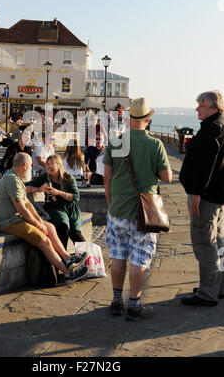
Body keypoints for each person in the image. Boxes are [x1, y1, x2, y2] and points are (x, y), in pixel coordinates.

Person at [103, 97, 172, 320]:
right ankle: (134, 305)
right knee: (139, 259)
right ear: (148, 119)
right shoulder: (155, 144)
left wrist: (111, 202)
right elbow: (167, 178)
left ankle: (115, 301)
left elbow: (107, 177)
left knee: (117, 255)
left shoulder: (115, 142)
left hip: (117, 209)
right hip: (144, 213)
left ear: (129, 118)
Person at [0, 152, 88, 283]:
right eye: (31, 165)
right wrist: (38, 225)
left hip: (17, 219)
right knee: (44, 241)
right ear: (25, 165)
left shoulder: (16, 178)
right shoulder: (11, 180)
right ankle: (68, 273)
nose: (33, 168)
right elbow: (21, 208)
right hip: (9, 222)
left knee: (49, 226)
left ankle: (68, 259)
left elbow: (28, 204)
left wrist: (40, 221)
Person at [179, 90, 224, 307]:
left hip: (206, 197)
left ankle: (207, 293)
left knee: (204, 242)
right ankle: (218, 285)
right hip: (217, 195)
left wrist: (197, 192)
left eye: (201, 105)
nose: (197, 108)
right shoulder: (218, 125)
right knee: (219, 242)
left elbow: (208, 165)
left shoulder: (213, 128)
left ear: (214, 107)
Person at [26, 154, 86, 249]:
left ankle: (88, 258)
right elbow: (26, 186)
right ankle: (63, 259)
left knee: (76, 233)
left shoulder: (68, 177)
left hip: (70, 208)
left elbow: (76, 197)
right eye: (48, 164)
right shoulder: (45, 177)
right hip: (54, 207)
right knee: (63, 227)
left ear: (59, 165)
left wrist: (58, 193)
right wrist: (38, 189)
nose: (50, 166)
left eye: (52, 164)